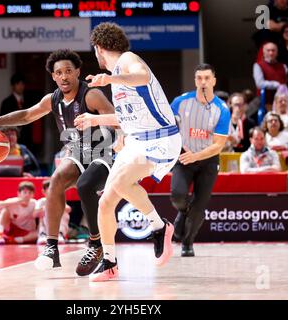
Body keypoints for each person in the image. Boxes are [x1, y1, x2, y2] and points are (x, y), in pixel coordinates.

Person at [0, 49, 116, 277]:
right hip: (79, 153)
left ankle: (96, 245)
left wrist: (100, 124)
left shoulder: (92, 95)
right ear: (53, 76)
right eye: (59, 72)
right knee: (56, 180)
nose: (64, 76)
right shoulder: (53, 100)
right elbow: (27, 115)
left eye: (69, 71)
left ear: (78, 72)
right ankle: (51, 248)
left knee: (85, 186)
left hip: (106, 151)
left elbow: (116, 121)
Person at [74, 22, 182, 281]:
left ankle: (159, 227)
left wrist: (110, 78)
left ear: (99, 48)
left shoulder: (127, 60)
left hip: (161, 139)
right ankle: (110, 262)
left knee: (122, 183)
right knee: (105, 202)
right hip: (137, 140)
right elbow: (127, 119)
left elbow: (143, 76)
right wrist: (94, 119)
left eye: (95, 50)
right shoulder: (117, 81)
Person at [168, 64, 230, 257]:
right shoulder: (180, 102)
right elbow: (167, 126)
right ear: (195, 80)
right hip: (183, 157)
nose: (203, 82)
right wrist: (178, 146)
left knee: (200, 205)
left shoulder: (222, 109)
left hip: (208, 161)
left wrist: (196, 156)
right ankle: (183, 210)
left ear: (213, 81)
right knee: (177, 196)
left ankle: (187, 242)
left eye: (207, 78)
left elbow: (218, 145)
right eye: (199, 78)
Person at [0, 73, 41, 156]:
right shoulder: (6, 102)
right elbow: (2, 120)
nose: (21, 86)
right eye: (18, 84)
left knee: (27, 158)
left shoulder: (29, 100)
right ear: (13, 86)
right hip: (12, 137)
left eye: (22, 84)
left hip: (27, 136)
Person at [253, 42, 287, 108]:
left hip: (284, 102)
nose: (271, 53)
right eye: (268, 50)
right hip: (267, 102)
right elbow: (259, 83)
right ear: (264, 53)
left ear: (277, 53)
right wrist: (277, 85)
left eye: (273, 50)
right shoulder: (258, 65)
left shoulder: (283, 66)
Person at [36, 180, 71, 244]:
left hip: (58, 226)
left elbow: (68, 209)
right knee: (42, 213)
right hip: (45, 227)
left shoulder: (60, 200)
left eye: (52, 189)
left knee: (64, 213)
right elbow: (34, 214)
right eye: (49, 190)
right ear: (44, 191)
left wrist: (55, 207)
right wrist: (46, 208)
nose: (51, 192)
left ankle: (60, 234)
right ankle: (42, 234)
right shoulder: (41, 201)